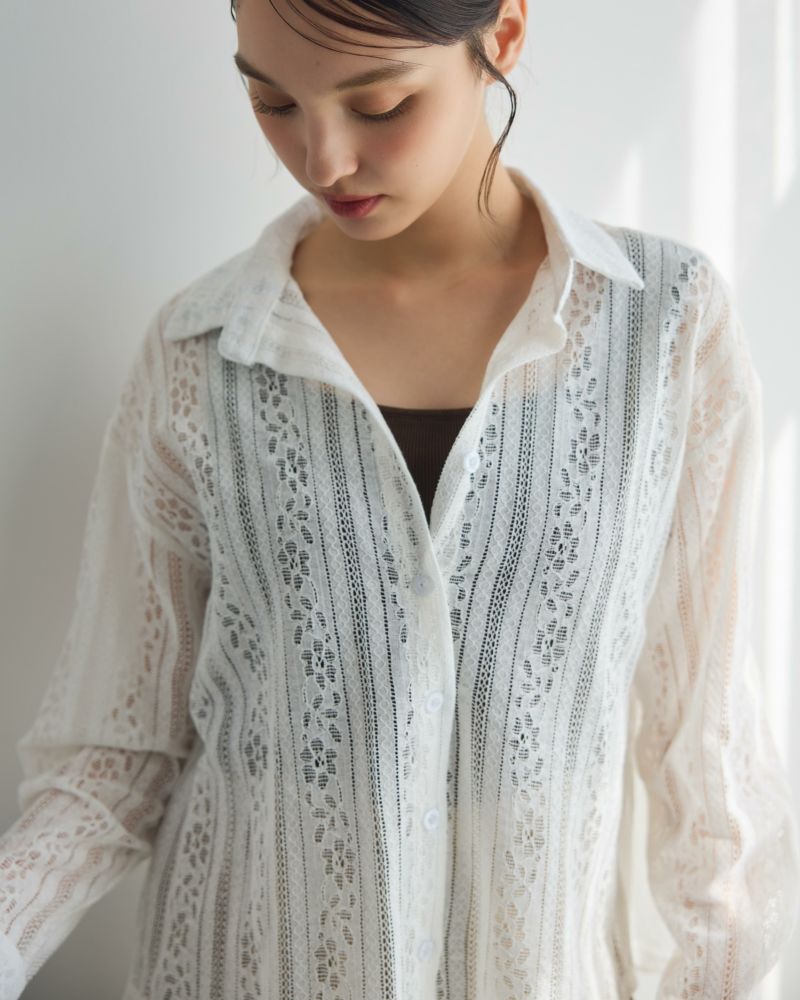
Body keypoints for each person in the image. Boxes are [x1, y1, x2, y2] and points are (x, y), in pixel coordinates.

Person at [1, 0, 798, 997]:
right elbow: (113, 763)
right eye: (272, 102)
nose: (323, 159)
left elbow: (705, 756)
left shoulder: (662, 327)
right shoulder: (200, 352)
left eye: (378, 105)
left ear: (502, 35)